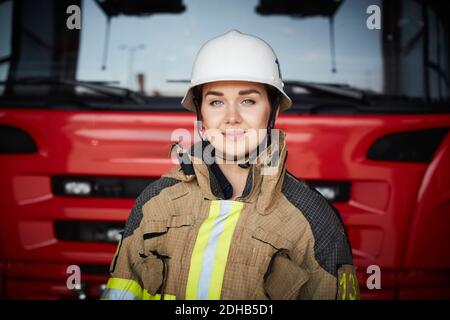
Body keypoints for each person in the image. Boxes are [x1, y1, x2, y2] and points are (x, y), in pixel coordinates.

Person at [101, 30, 360, 300]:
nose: (232, 117)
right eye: (216, 102)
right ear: (200, 112)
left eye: (248, 101)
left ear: (273, 110)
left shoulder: (313, 218)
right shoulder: (155, 202)